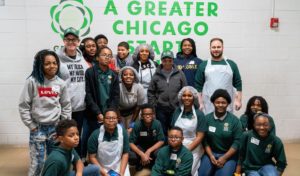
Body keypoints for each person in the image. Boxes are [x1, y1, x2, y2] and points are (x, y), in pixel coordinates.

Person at [19, 49, 71, 176]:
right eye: (47, 63)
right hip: (38, 129)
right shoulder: (32, 81)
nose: (52, 66)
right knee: (38, 163)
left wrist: (62, 126)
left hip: (55, 129)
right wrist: (32, 126)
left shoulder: (60, 83)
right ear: (40, 65)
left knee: (55, 160)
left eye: (54, 63)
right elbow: (23, 105)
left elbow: (66, 105)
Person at [56, 27, 89, 158]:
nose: (71, 42)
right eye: (68, 39)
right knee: (63, 137)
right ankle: (63, 161)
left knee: (76, 136)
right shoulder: (57, 60)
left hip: (80, 106)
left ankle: (78, 161)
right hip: (63, 107)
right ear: (64, 41)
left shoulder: (82, 60)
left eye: (74, 39)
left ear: (78, 41)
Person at [198, 89, 243, 176]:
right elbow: (204, 140)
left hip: (229, 155)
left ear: (228, 104)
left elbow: (237, 142)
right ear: (213, 103)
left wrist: (224, 158)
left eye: (223, 102)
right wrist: (211, 156)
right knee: (202, 174)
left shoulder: (235, 121)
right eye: (217, 102)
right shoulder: (207, 119)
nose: (220, 105)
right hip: (210, 153)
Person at [195, 37, 242, 115]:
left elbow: (238, 83)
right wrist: (200, 103)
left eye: (218, 47)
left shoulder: (231, 64)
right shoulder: (203, 65)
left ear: (222, 48)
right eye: (213, 47)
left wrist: (238, 100)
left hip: (227, 103)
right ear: (210, 48)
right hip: (208, 104)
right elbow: (198, 86)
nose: (216, 49)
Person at [148, 50, 187, 137]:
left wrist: (181, 105)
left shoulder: (180, 74)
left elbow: (185, 90)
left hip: (176, 108)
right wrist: (154, 105)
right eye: (165, 60)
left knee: (175, 130)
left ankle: (174, 148)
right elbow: (151, 92)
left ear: (173, 61)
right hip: (161, 109)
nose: (167, 63)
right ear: (161, 61)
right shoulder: (156, 75)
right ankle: (164, 149)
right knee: (162, 131)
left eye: (170, 60)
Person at [171, 86, 207, 176]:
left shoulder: (199, 114)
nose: (186, 98)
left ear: (194, 97)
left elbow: (200, 136)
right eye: (184, 95)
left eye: (189, 95)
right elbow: (172, 131)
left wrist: (186, 150)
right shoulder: (177, 112)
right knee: (173, 170)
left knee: (187, 171)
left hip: (193, 147)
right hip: (176, 145)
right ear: (181, 97)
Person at [85, 46, 119, 133]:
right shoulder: (90, 72)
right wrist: (97, 113)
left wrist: (110, 114)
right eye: (104, 55)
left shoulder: (114, 74)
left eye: (109, 55)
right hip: (94, 114)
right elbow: (88, 94)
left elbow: (116, 96)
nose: (107, 57)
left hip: (109, 114)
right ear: (97, 57)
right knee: (93, 138)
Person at [88, 109, 130, 176]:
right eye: (108, 118)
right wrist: (104, 173)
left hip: (119, 166)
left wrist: (121, 173)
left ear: (117, 119)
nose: (111, 120)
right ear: (103, 120)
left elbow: (125, 153)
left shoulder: (123, 132)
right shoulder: (95, 135)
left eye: (113, 118)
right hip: (101, 167)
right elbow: (92, 157)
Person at [129, 104, 165, 173]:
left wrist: (149, 151)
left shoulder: (157, 123)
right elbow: (131, 142)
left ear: (153, 115)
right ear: (142, 116)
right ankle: (140, 164)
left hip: (154, 147)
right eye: (145, 114)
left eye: (150, 114)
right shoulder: (137, 124)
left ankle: (155, 167)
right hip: (141, 146)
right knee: (131, 156)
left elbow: (161, 140)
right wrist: (141, 154)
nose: (148, 116)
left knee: (160, 153)